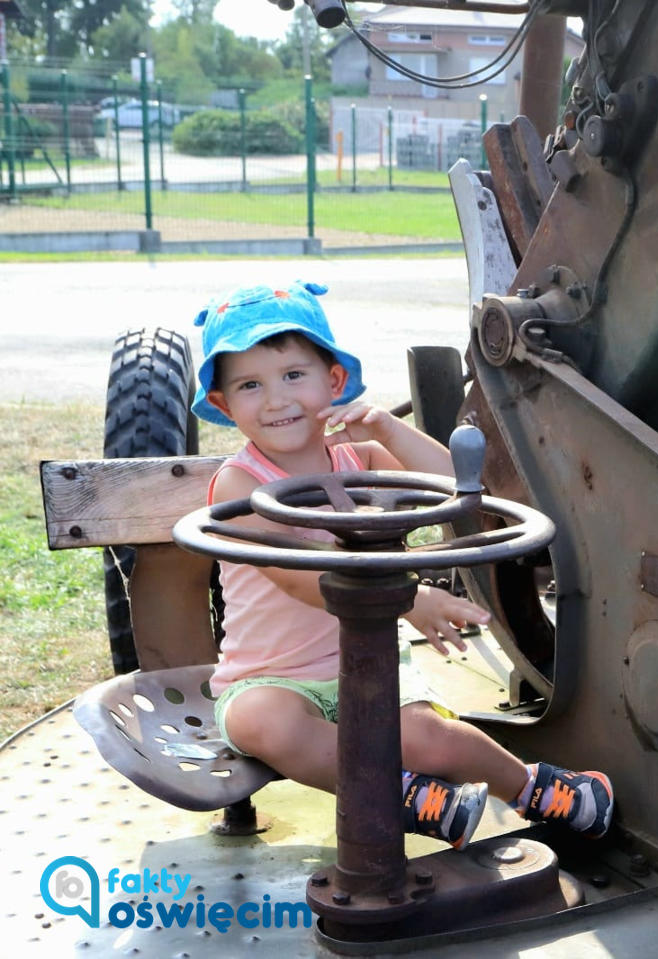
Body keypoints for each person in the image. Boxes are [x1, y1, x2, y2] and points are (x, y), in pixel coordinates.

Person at [193, 280, 614, 847]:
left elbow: (463, 489)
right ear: (223, 405)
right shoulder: (239, 483)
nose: (276, 399)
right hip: (270, 676)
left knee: (437, 740)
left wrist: (388, 429)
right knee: (264, 725)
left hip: (367, 664)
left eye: (294, 375)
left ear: (333, 380)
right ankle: (406, 796)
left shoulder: (360, 458)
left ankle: (537, 789)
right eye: (250, 385)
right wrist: (410, 598)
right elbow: (296, 577)